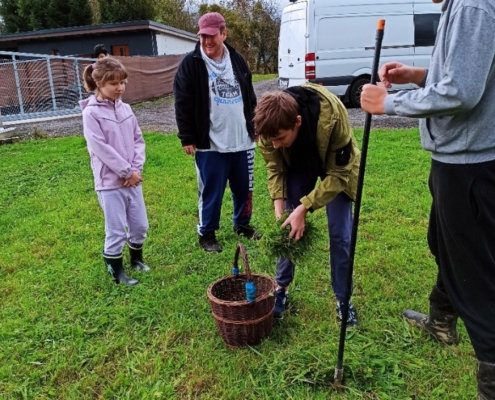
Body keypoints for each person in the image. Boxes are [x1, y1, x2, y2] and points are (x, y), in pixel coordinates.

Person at [360, 0, 495, 397]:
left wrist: (389, 103)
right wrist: (419, 75)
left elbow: (462, 92)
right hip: (456, 158)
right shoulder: (460, 6)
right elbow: (466, 74)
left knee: (477, 276)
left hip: (469, 164)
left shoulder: (473, 6)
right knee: (444, 243)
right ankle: (441, 320)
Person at [254, 83, 361, 325]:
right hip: (300, 162)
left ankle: (343, 300)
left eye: (281, 138)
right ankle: (281, 288)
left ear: (297, 122)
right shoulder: (268, 131)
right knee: (287, 228)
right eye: (272, 141)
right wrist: (280, 210)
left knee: (340, 233)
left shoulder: (334, 116)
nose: (276, 145)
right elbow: (275, 167)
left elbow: (339, 175)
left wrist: (305, 207)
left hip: (335, 165)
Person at [173, 12, 260, 253]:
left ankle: (242, 225)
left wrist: (256, 125)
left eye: (212, 36)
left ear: (224, 33)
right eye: (203, 36)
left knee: (244, 188)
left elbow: (249, 95)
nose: (207, 42)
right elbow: (182, 102)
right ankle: (207, 233)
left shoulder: (237, 59)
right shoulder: (191, 63)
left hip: (242, 140)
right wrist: (187, 136)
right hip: (210, 143)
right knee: (211, 190)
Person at [80, 57, 150, 286]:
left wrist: (135, 170)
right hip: (110, 183)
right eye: (114, 84)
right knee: (116, 229)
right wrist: (125, 171)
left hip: (133, 180)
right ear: (99, 83)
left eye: (123, 82)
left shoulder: (126, 109)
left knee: (140, 226)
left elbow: (138, 140)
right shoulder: (91, 114)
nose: (120, 88)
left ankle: (136, 259)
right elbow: (101, 148)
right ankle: (116, 272)